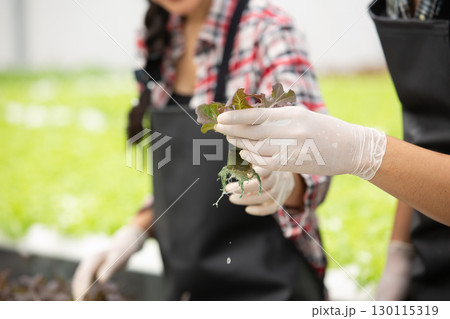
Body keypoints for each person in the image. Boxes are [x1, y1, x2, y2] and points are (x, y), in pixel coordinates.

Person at [72, 0, 330, 301]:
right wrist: (136, 230)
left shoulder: (267, 27)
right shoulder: (157, 36)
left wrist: (284, 184)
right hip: (188, 288)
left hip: (273, 284)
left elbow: (316, 158)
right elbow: (183, 176)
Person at [218, 0, 450, 301]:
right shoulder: (398, 5)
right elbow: (428, 136)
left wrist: (364, 152)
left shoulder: (267, 27)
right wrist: (400, 253)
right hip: (429, 257)